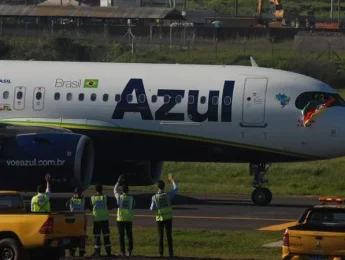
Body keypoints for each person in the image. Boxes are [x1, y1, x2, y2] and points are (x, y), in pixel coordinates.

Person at [150, 174, 178, 257]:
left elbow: (152, 208)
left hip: (159, 219)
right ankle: (171, 253)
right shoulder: (168, 195)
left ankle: (161, 253)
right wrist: (172, 180)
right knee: (169, 236)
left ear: (157, 187)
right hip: (168, 218)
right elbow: (176, 189)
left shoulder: (154, 197)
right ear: (164, 187)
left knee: (160, 237)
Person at [114, 175, 135, 256]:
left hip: (120, 219)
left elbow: (115, 190)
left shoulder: (119, 197)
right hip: (129, 219)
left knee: (121, 236)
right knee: (129, 235)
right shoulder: (131, 198)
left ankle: (122, 252)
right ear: (128, 190)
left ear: (122, 191)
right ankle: (130, 251)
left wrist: (118, 182)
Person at [65, 187, 88, 257]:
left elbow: (66, 206)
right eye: (78, 193)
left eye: (79, 193)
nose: (78, 194)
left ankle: (78, 251)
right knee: (77, 236)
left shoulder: (74, 200)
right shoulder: (78, 200)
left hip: (77, 220)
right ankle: (75, 251)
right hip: (77, 220)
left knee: (79, 236)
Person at [90, 184, 112, 257]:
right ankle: (108, 252)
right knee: (106, 236)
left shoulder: (92, 198)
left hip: (96, 220)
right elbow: (110, 206)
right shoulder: (105, 197)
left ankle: (97, 252)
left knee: (97, 236)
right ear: (102, 189)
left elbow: (90, 207)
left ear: (95, 190)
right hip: (104, 219)